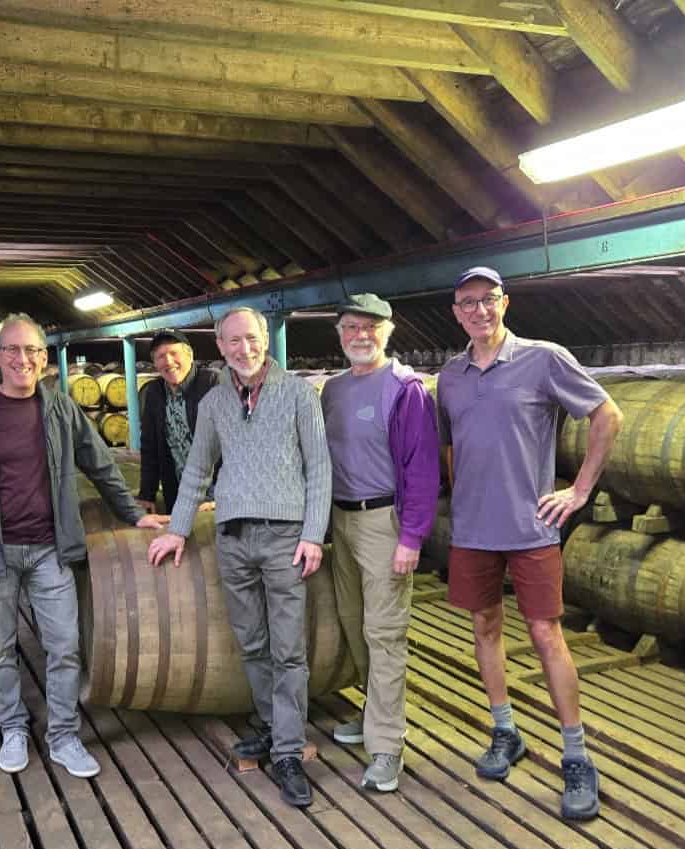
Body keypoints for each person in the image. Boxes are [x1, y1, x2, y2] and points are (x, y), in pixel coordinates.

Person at [0, 314, 166, 777]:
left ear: (44, 357)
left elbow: (100, 465)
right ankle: (13, 728)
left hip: (49, 550)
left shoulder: (60, 407)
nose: (23, 359)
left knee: (64, 647)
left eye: (32, 351)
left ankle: (62, 735)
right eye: (13, 350)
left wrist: (133, 513)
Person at [437, 266, 622, 820]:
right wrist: (462, 496)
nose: (478, 310)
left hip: (530, 526)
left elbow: (607, 415)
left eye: (488, 299)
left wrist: (580, 490)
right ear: (456, 311)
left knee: (546, 634)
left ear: (504, 303)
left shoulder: (544, 358)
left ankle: (576, 756)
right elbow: (450, 446)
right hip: (473, 529)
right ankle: (505, 731)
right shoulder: (449, 376)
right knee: (485, 626)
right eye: (467, 302)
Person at [147, 307, 331, 808]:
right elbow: (195, 470)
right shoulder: (213, 404)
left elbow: (320, 468)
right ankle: (274, 728)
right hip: (232, 536)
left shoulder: (298, 394)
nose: (242, 349)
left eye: (250, 339)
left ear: (265, 339)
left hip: (285, 537)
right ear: (219, 346)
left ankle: (289, 752)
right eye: (231, 342)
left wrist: (313, 532)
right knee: (251, 642)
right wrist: (178, 528)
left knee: (288, 647)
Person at [320, 293, 439, 793]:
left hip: (383, 521)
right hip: (340, 520)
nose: (359, 335)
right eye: (350, 327)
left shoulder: (405, 389)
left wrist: (411, 537)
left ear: (388, 332)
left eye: (370, 327)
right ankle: (372, 713)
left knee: (385, 634)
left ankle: (387, 745)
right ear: (341, 333)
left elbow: (423, 469)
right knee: (353, 623)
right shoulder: (333, 390)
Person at [135, 327, 220, 513]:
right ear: (155, 363)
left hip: (219, 494)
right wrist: (147, 495)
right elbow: (150, 448)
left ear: (190, 355)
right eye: (160, 356)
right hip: (178, 494)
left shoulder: (214, 383)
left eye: (174, 353)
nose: (168, 361)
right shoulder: (154, 393)